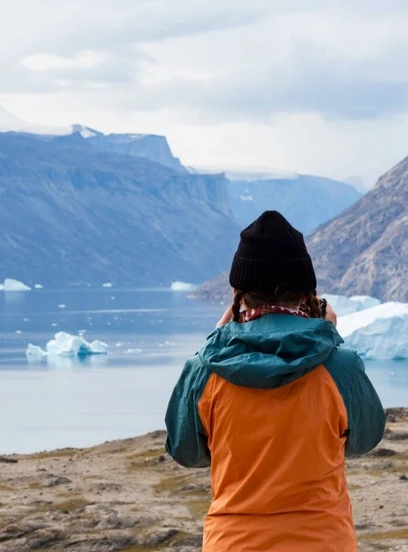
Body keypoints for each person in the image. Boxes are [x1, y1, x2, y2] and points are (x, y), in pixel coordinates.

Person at [165, 210, 386, 551]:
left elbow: (186, 452)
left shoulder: (205, 369)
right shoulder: (339, 366)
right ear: (306, 293)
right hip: (322, 541)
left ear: (238, 292)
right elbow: (364, 440)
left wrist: (215, 342)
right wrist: (327, 338)